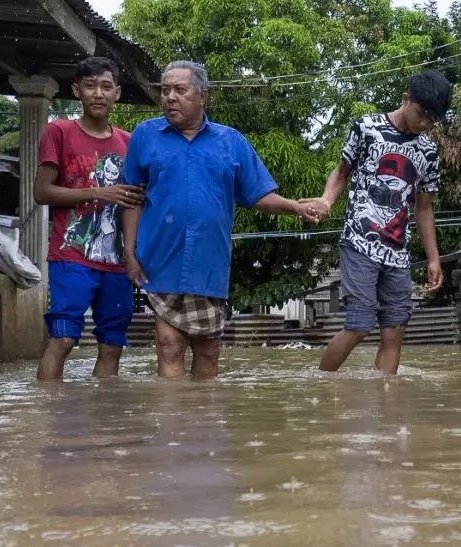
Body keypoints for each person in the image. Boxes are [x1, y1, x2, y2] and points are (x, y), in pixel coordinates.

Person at [122, 60, 321, 380]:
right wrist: (129, 253)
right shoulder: (146, 135)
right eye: (165, 90)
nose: (170, 97)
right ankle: (172, 430)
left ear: (202, 96)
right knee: (168, 344)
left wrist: (294, 207)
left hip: (208, 262)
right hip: (159, 260)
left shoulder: (231, 141)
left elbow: (258, 196)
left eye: (180, 90)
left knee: (208, 350)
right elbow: (131, 198)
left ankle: (202, 425)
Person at [301, 70, 452, 375]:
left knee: (395, 330)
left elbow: (424, 209)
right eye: (422, 114)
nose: (425, 124)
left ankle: (387, 407)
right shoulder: (367, 128)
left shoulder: (428, 152)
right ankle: (320, 385)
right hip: (360, 241)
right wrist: (327, 201)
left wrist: (434, 259)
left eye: (432, 120)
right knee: (359, 325)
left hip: (398, 252)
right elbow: (341, 172)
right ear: (406, 99)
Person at [33, 56, 145, 381]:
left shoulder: (130, 143)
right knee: (64, 339)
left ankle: (104, 424)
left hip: (116, 261)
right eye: (90, 85)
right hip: (72, 255)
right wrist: (99, 193)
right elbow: (42, 192)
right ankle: (49, 420)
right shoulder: (59, 132)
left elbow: (134, 202)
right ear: (76, 90)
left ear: (118, 93)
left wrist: (131, 256)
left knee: (112, 346)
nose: (98, 93)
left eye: (106, 86)